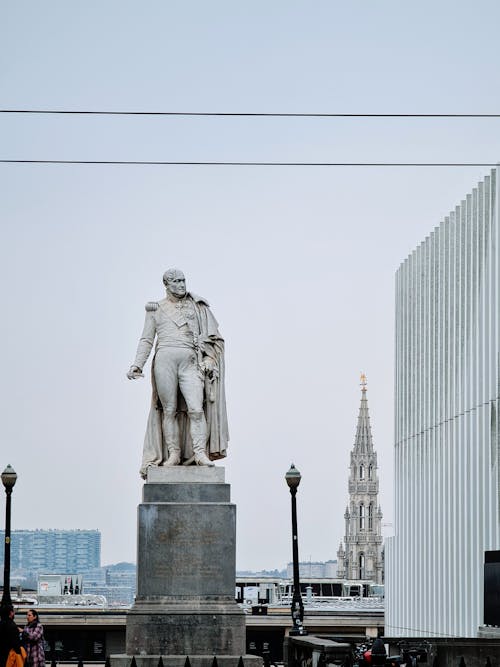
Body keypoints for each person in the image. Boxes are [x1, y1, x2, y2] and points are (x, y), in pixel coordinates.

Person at [128, 269, 229, 478]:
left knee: (196, 408)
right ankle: (173, 453)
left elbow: (214, 339)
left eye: (183, 280)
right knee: (169, 410)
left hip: (190, 360)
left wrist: (209, 359)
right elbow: (147, 339)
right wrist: (137, 364)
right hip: (164, 358)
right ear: (166, 284)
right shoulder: (156, 309)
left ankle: (200, 453)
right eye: (176, 281)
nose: (181, 284)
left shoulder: (197, 305)